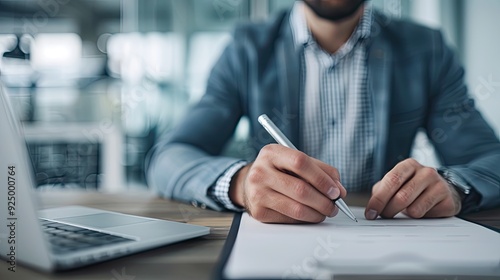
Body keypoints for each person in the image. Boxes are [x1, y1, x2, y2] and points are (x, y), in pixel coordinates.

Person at [146, 0, 500, 224]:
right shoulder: (248, 49)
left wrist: (456, 186)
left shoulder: (426, 49)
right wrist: (241, 183)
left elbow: (490, 159)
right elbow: (168, 157)